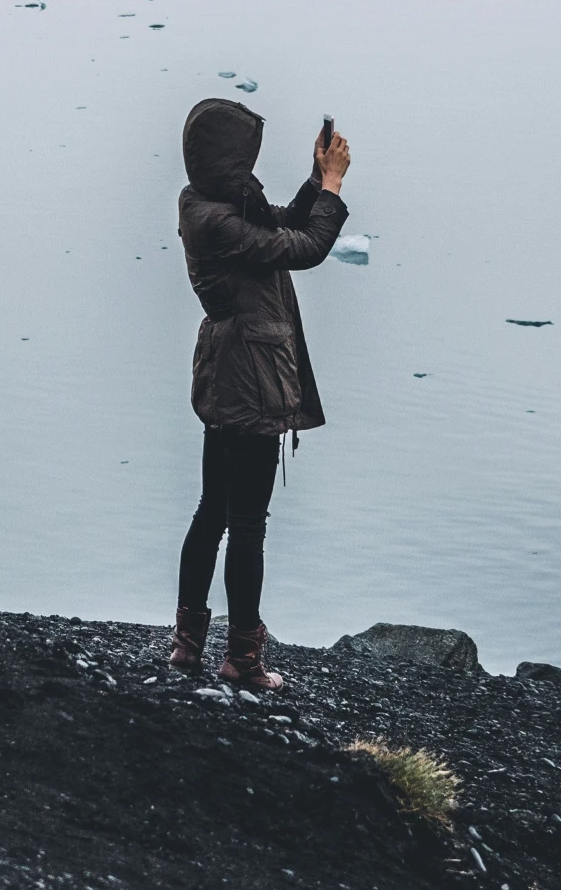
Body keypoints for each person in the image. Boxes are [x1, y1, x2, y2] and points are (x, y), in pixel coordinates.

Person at [168, 97, 351, 690]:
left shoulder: (208, 203)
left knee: (212, 512)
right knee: (246, 522)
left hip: (226, 373)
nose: (250, 165)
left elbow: (279, 224)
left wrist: (311, 180)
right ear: (226, 157)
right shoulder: (218, 221)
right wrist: (333, 186)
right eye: (244, 153)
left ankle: (188, 645)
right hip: (251, 377)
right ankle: (243, 659)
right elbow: (302, 248)